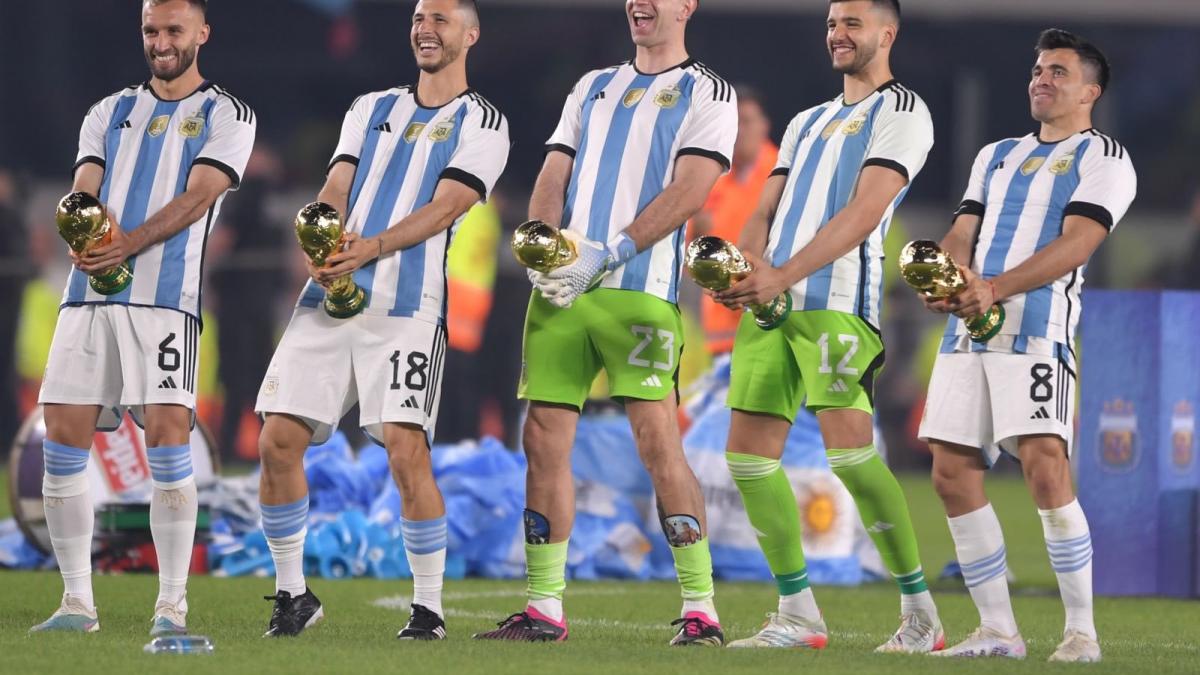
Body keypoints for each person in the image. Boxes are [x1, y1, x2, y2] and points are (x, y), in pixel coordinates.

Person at [474, 0, 736, 646]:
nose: (637, 4)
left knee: (655, 441)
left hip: (636, 293)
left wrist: (609, 250)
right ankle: (543, 607)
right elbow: (554, 171)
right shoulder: (592, 86)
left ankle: (702, 608)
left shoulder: (709, 92)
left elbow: (691, 190)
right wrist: (544, 245)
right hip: (565, 292)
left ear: (685, 7)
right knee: (542, 440)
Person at [254, 0, 509, 640]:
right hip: (329, 299)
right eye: (419, 18)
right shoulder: (370, 108)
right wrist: (324, 237)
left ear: (470, 35)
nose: (426, 28)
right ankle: (292, 595)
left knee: (405, 451)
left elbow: (450, 204)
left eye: (442, 19)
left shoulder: (483, 122)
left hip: (406, 310)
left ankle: (428, 608)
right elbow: (338, 184)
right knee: (275, 442)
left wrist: (374, 247)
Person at [711, 0, 942, 652]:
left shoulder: (902, 111)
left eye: (853, 24)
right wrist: (749, 264)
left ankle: (921, 613)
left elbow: (866, 212)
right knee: (749, 460)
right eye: (832, 24)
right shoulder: (808, 120)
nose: (838, 34)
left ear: (886, 34)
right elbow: (766, 206)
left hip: (836, 302)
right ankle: (797, 612)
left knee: (850, 455)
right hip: (772, 305)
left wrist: (784, 274)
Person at [32, 0, 256, 635]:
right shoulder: (109, 111)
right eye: (151, 30)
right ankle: (77, 603)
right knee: (62, 437)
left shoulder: (226, 113)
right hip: (88, 297)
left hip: (164, 301)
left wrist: (127, 242)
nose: (161, 41)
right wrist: (82, 225)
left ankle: (171, 606)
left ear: (202, 34)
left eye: (174, 30)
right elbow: (85, 188)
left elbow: (201, 193)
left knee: (166, 435)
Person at [919, 28, 1136, 662]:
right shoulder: (995, 155)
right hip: (966, 334)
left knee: (1044, 466)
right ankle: (998, 631)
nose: (1042, 79)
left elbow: (1078, 243)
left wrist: (994, 288)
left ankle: (1080, 634)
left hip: (1037, 333)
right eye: (1039, 70)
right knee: (951, 473)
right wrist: (946, 274)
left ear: (1090, 91)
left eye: (1059, 72)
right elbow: (964, 229)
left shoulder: (1105, 158)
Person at [690, 85, 777, 356]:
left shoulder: (783, 174)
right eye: (734, 123)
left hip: (769, 324)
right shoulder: (712, 179)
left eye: (747, 121)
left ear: (764, 125)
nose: (740, 131)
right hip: (720, 333)